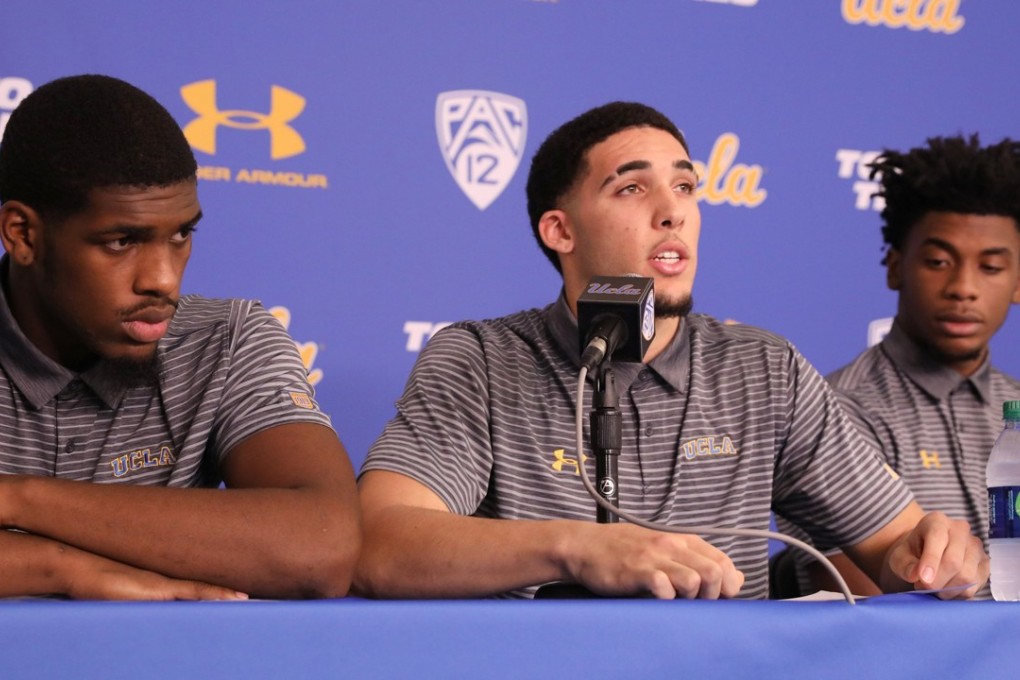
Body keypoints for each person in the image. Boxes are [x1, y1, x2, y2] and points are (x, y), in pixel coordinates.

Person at [355, 101, 987, 600]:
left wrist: (931, 558)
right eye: (632, 189)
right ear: (560, 230)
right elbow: (378, 544)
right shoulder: (481, 361)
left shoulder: (765, 370)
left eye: (685, 188)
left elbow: (901, 550)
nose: (672, 213)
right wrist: (577, 548)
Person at [0, 74, 361, 600]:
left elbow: (319, 547)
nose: (164, 279)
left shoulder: (227, 340)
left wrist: (17, 501)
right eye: (121, 241)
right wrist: (57, 568)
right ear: (24, 235)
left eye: (181, 235)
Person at [780, 134, 1020, 597]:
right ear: (895, 267)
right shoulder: (828, 412)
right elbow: (862, 611)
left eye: (990, 267)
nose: (963, 288)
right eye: (937, 261)